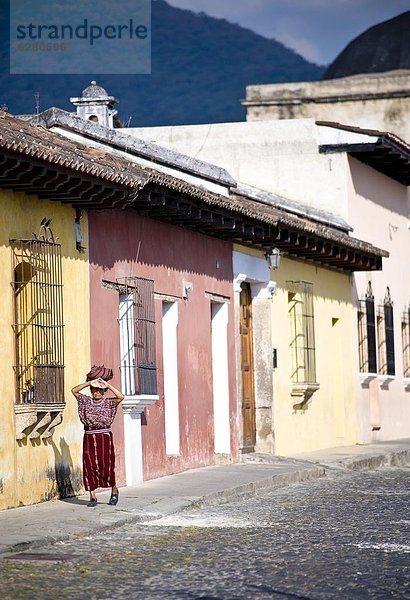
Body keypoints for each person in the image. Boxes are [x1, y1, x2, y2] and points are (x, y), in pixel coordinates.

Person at [71, 375, 124, 507]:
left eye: (100, 391)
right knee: (89, 465)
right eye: (95, 390)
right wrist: (89, 382)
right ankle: (92, 496)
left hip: (104, 437)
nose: (97, 393)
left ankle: (114, 490)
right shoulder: (86, 401)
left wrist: (108, 385)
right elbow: (74, 391)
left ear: (103, 392)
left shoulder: (109, 403)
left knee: (106, 465)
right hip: (89, 436)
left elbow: (121, 397)